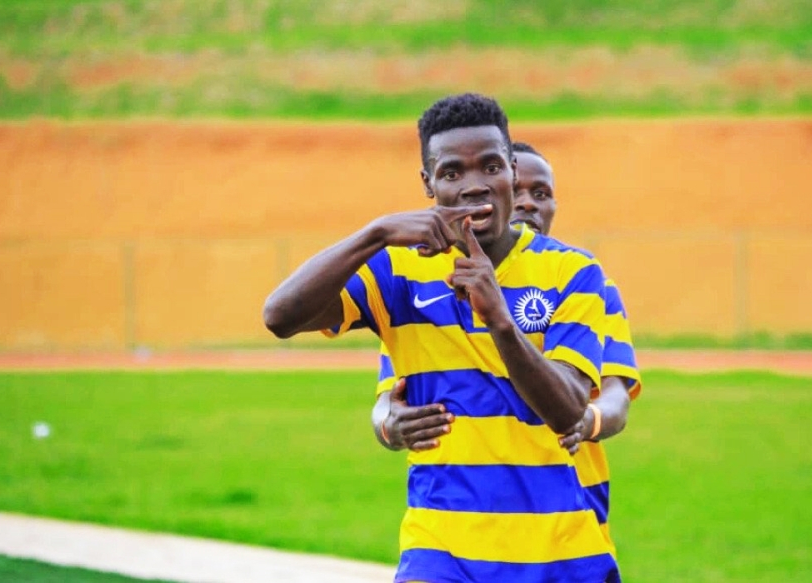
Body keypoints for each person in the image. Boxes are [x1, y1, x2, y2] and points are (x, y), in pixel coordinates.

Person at [263, 93, 619, 582]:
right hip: (441, 555)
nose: (474, 186)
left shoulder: (573, 271)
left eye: (491, 167)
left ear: (513, 171)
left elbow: (567, 411)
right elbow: (280, 316)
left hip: (559, 554)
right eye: (452, 173)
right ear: (428, 183)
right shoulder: (397, 271)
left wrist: (500, 321)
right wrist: (376, 233)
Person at [371, 141, 642, 555]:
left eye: (543, 194)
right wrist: (388, 426)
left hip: (566, 524)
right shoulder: (428, 288)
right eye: (521, 193)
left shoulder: (587, 283)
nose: (530, 204)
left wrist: (582, 420)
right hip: (460, 534)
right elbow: (390, 397)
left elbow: (616, 399)